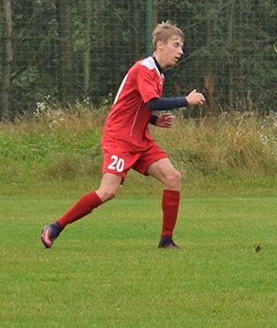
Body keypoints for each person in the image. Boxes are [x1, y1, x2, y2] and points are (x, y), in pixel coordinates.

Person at [41, 21, 206, 249]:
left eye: (181, 46)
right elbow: (152, 102)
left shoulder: (157, 74)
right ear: (160, 45)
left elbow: (138, 106)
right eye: (176, 45)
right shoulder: (144, 69)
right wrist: (185, 101)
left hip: (140, 140)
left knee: (172, 177)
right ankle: (54, 227)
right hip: (119, 139)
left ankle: (166, 240)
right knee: (108, 191)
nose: (180, 51)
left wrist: (155, 120)